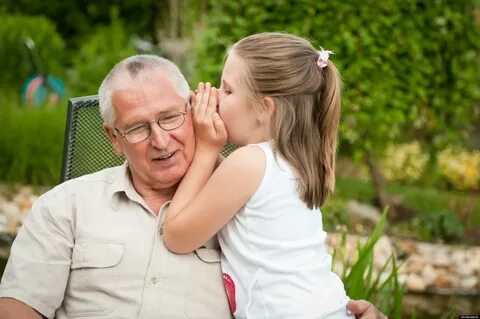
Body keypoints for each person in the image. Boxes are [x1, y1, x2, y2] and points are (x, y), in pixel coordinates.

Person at [0, 54, 385, 319]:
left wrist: (346, 307)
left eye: (170, 117)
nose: (161, 140)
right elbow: (19, 306)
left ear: (195, 111)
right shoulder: (66, 206)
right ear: (113, 138)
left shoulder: (243, 197)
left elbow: (285, 270)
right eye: (137, 127)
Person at [163, 32, 351, 319]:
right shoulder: (295, 160)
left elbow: (176, 236)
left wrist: (205, 148)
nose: (215, 95)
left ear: (265, 108)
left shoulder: (249, 163)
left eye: (226, 90)